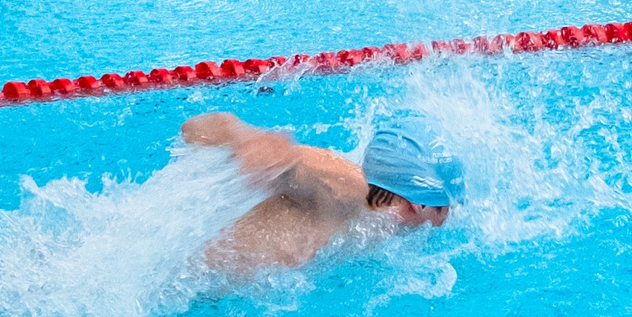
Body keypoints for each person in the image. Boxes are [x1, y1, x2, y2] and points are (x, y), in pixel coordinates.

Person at [182, 107, 464, 274]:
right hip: (179, 295)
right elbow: (194, 128)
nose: (449, 217)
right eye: (446, 207)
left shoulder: (374, 220)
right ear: (420, 205)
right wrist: (245, 136)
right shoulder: (346, 187)